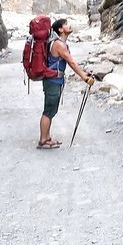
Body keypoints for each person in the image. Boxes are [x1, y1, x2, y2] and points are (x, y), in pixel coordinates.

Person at [38, 18, 94, 149]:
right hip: (52, 81)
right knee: (48, 111)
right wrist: (84, 78)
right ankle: (43, 140)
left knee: (51, 110)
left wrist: (84, 72)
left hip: (54, 80)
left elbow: (71, 62)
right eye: (66, 24)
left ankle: (46, 137)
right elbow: (71, 62)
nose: (69, 26)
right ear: (60, 29)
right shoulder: (59, 44)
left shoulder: (60, 43)